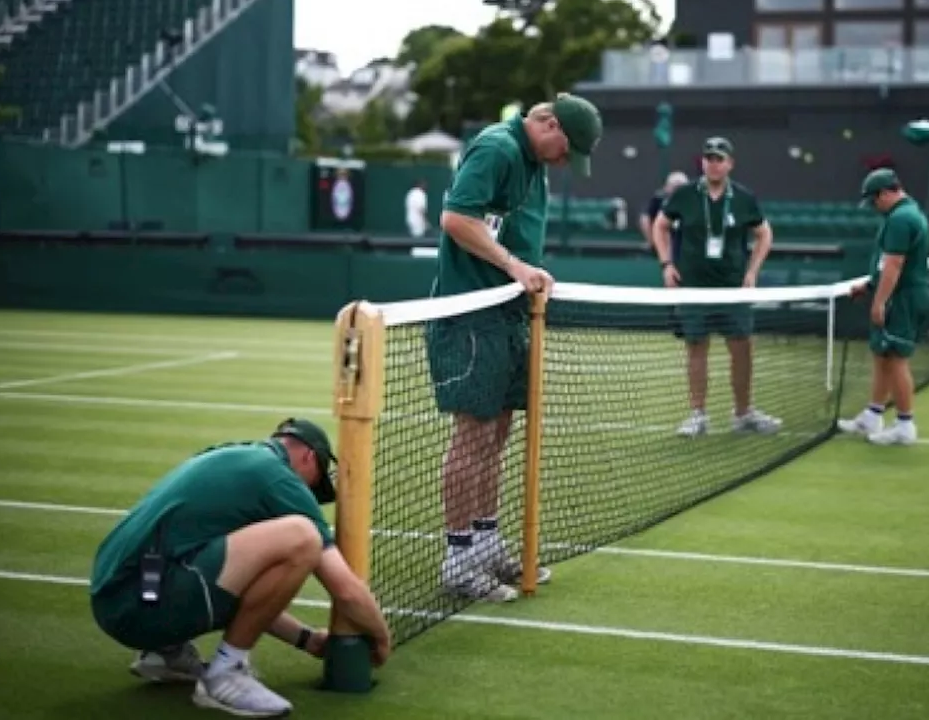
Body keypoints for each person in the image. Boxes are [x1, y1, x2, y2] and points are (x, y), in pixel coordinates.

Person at [89, 418, 393, 718]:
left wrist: (307, 639)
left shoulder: (227, 455)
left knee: (206, 547)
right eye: (314, 482)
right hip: (142, 608)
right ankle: (225, 673)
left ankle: (166, 652)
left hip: (119, 598)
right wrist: (381, 638)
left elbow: (244, 588)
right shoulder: (279, 478)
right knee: (303, 537)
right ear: (308, 457)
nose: (308, 493)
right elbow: (346, 590)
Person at [425, 93, 603, 603]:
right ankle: (458, 559)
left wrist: (524, 274)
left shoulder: (532, 161)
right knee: (473, 435)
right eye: (566, 150)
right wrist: (514, 266)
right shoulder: (498, 148)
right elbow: (456, 219)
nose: (566, 162)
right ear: (547, 123)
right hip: (469, 316)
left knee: (497, 433)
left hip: (507, 314)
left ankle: (484, 545)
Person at [651, 136, 782, 439]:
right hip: (694, 288)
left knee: (742, 349)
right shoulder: (684, 195)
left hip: (732, 289)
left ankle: (743, 413)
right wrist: (666, 264)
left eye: (719, 158)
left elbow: (764, 234)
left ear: (730, 164)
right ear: (703, 162)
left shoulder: (744, 198)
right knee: (696, 348)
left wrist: (752, 273)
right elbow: (660, 225)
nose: (713, 163)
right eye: (709, 158)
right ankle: (698, 415)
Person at [838, 168, 929, 446]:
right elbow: (886, 266)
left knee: (896, 360)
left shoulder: (902, 219)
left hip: (903, 299)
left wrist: (878, 302)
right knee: (882, 355)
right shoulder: (902, 215)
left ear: (886, 193)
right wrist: (869, 286)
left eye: (874, 200)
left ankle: (905, 425)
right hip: (901, 295)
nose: (874, 207)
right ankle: (873, 415)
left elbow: (894, 265)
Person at [639, 171, 689, 253]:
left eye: (681, 187)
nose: (678, 191)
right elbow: (644, 219)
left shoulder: (692, 202)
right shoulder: (659, 199)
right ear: (667, 187)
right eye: (675, 187)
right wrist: (652, 242)